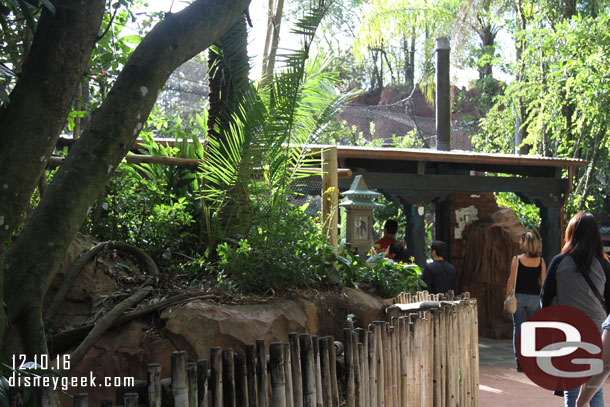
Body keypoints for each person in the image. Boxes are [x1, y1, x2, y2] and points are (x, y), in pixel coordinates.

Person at [540, 212, 610, 407]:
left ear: (571, 234)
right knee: (593, 387)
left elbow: (545, 299)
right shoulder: (604, 265)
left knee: (572, 386)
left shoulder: (559, 262)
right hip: (597, 333)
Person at [505, 230, 546, 372]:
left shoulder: (517, 259)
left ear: (526, 243)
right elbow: (543, 282)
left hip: (518, 298)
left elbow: (511, 280)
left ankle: (520, 362)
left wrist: (507, 298)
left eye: (521, 240)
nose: (519, 243)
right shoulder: (540, 261)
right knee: (533, 330)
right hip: (534, 298)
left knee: (518, 328)